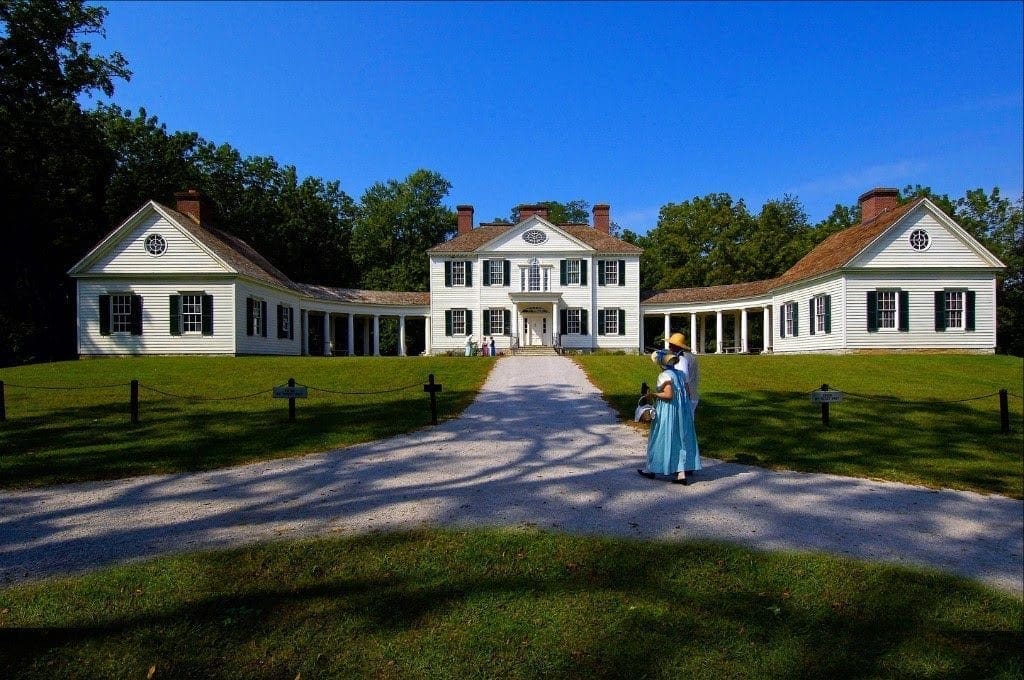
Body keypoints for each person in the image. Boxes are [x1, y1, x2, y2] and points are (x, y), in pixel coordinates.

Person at [638, 350, 701, 484]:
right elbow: (688, 393)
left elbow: (668, 395)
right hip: (682, 411)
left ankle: (652, 469)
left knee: (661, 436)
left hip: (669, 410)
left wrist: (653, 395)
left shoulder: (664, 375)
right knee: (680, 438)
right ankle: (681, 473)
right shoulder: (680, 374)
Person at [668, 332, 699, 416]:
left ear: (675, 346)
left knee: (684, 423)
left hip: (686, 396)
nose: (669, 346)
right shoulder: (690, 356)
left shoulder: (681, 359)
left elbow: (683, 379)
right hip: (692, 393)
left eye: (671, 344)